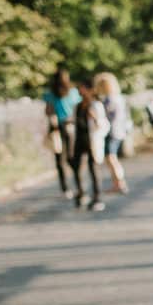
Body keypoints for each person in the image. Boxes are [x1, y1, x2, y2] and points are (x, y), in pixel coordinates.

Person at [42, 70, 80, 201]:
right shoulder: (73, 92)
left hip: (56, 127)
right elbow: (77, 109)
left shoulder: (50, 94)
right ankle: (78, 183)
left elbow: (48, 111)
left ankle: (65, 188)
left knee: (60, 160)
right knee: (71, 157)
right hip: (70, 126)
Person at [70, 80, 106, 212]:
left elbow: (103, 126)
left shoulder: (96, 106)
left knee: (93, 169)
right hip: (79, 141)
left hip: (92, 142)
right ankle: (81, 193)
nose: (80, 91)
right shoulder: (78, 106)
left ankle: (97, 198)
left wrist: (96, 119)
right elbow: (74, 123)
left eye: (82, 88)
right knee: (77, 167)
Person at [94, 72, 132, 194]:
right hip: (119, 130)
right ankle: (118, 183)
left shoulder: (109, 100)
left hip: (111, 131)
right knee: (112, 158)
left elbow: (108, 117)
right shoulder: (119, 98)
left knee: (111, 158)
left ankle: (119, 183)